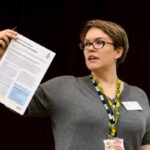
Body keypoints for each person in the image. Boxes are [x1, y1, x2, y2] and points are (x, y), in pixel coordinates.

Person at [0, 19, 150, 150]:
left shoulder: (139, 95)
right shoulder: (63, 87)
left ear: (118, 51)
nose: (90, 48)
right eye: (86, 44)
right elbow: (13, 96)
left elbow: (146, 143)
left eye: (99, 42)